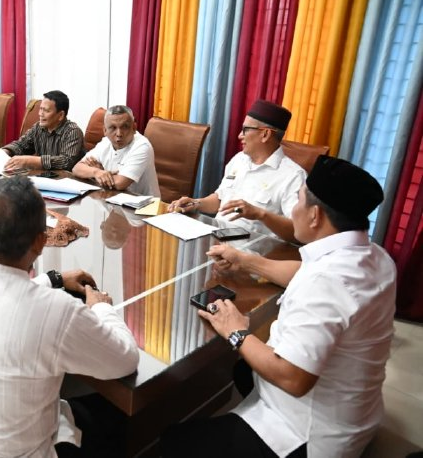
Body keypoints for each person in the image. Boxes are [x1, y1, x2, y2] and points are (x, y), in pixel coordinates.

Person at [161, 156, 396, 458]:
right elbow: (305, 272)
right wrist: (246, 261)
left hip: (307, 435)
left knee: (172, 440)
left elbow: (293, 378)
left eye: (299, 201)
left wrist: (237, 332)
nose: (293, 210)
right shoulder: (375, 256)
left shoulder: (326, 282)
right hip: (355, 414)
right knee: (243, 370)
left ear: (314, 216)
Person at [0, 175, 139, 457]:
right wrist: (101, 307)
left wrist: (53, 279)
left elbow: (2, 296)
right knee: (113, 420)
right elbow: (126, 359)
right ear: (41, 242)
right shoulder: (55, 311)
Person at [168, 100, 305, 242]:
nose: (240, 135)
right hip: (216, 238)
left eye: (245, 130)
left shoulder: (293, 176)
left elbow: (299, 231)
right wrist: (196, 203)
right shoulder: (239, 159)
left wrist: (261, 214)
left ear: (265, 134)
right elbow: (220, 200)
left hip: (252, 250)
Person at [72, 105, 160, 197]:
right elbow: (77, 168)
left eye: (124, 127)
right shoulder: (105, 142)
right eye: (113, 128)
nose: (119, 134)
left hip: (143, 203)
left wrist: (98, 173)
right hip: (110, 198)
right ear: (105, 130)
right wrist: (97, 172)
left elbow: (120, 183)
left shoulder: (142, 146)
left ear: (134, 128)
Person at [0, 90, 84, 171]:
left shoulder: (73, 131)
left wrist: (30, 161)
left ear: (61, 115)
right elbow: (21, 145)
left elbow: (66, 161)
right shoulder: (38, 127)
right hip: (44, 176)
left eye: (46, 110)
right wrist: (4, 152)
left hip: (65, 179)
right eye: (40, 109)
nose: (40, 114)